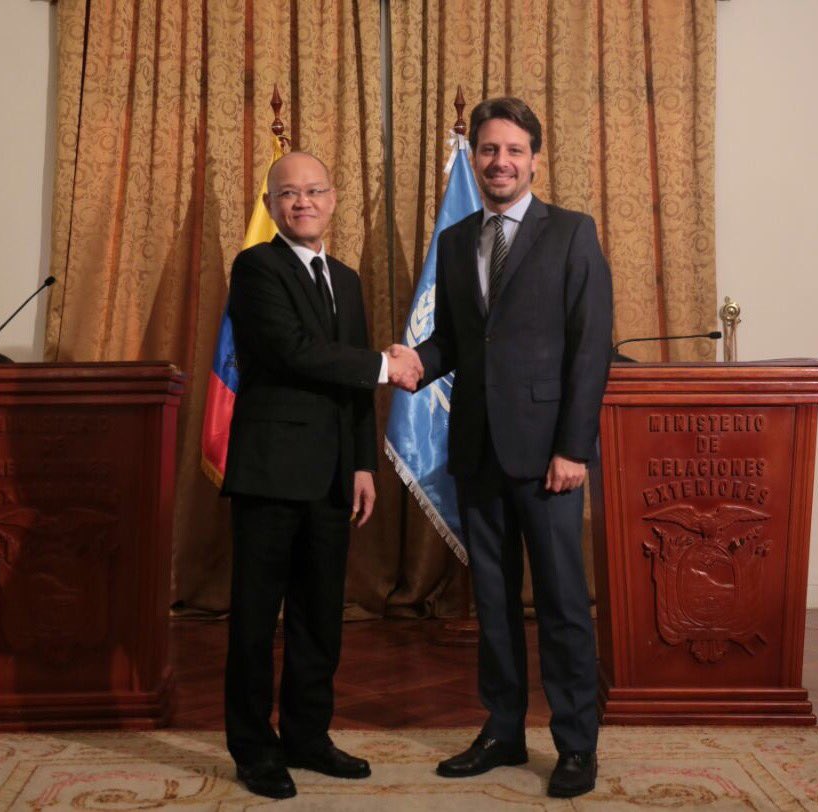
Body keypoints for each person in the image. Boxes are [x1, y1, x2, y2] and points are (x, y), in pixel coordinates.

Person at [391, 97, 613, 798]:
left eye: (514, 150)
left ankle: (575, 744)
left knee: (563, 604)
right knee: (491, 600)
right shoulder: (458, 240)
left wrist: (573, 448)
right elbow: (458, 340)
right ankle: (503, 729)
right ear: (475, 157)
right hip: (478, 449)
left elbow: (590, 349)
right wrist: (417, 361)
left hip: (550, 457)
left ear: (535, 160)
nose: (500, 162)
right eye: (489, 150)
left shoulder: (572, 233)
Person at [221, 151, 421, 799]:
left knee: (319, 616)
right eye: (288, 193)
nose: (302, 202)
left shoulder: (348, 279)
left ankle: (307, 736)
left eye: (313, 191)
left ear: (333, 200)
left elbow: (350, 388)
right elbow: (294, 351)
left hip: (334, 473)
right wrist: (387, 366)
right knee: (256, 619)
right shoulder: (256, 267)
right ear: (271, 205)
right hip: (270, 471)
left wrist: (363, 462)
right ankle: (254, 750)